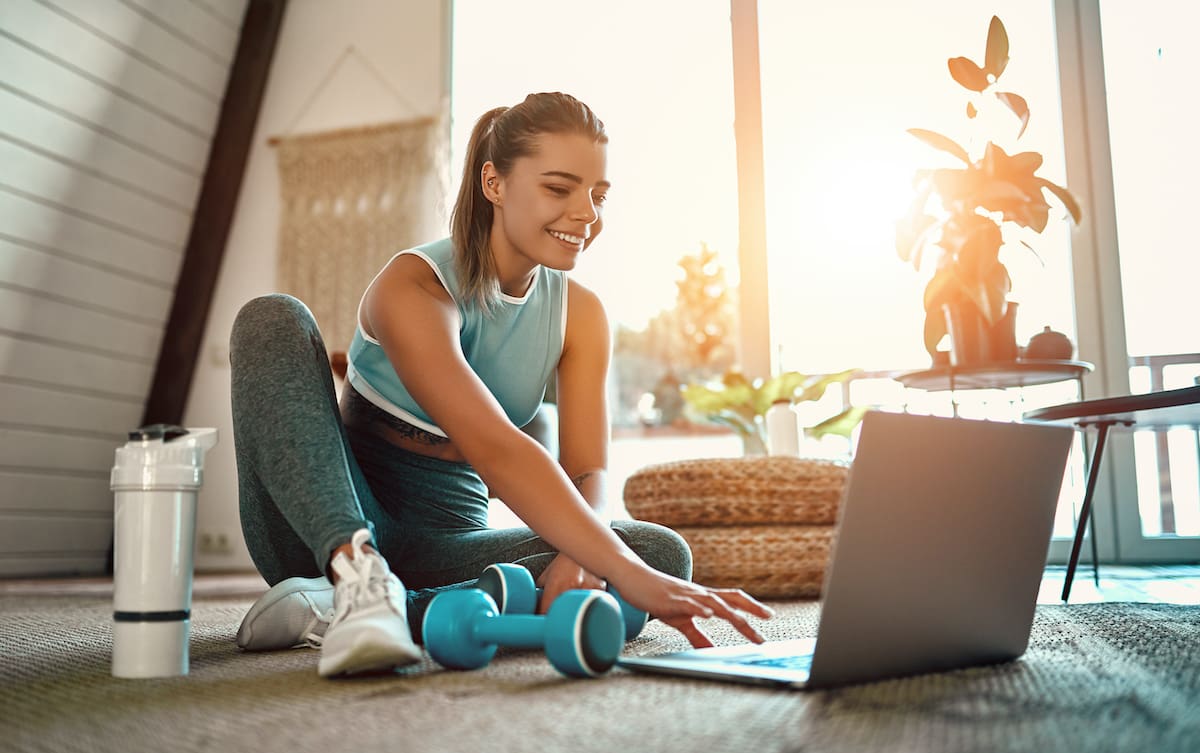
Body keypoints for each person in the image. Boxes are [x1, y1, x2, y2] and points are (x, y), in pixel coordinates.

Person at [229, 92, 773, 677]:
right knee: (272, 317)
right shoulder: (414, 284)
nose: (586, 213)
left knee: (658, 553)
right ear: (494, 183)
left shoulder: (581, 316)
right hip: (325, 524)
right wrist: (626, 575)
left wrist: (581, 553)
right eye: (560, 189)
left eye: (598, 194)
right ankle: (355, 579)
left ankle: (363, 609)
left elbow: (587, 471)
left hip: (446, 543)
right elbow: (493, 444)